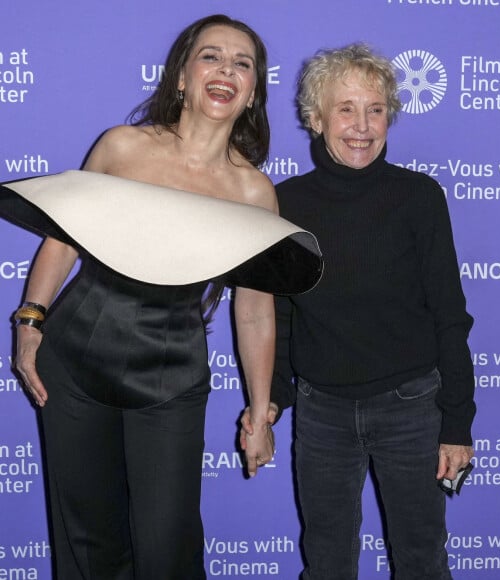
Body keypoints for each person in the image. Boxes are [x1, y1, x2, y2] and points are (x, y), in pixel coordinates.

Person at [0, 14, 321, 580]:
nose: (226, 70)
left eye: (242, 63)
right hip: (74, 360)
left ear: (252, 93)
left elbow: (253, 309)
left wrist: (260, 411)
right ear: (181, 76)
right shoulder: (121, 147)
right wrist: (29, 322)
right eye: (211, 56)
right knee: (87, 540)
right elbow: (63, 240)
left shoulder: (254, 191)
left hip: (171, 375)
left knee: (167, 548)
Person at [242, 43, 476, 579]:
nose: (362, 126)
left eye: (375, 110)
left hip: (413, 409)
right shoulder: (286, 204)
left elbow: (449, 314)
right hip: (322, 414)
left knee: (422, 562)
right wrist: (271, 403)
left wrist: (457, 425)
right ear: (315, 117)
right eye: (345, 109)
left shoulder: (419, 197)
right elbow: (278, 317)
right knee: (326, 565)